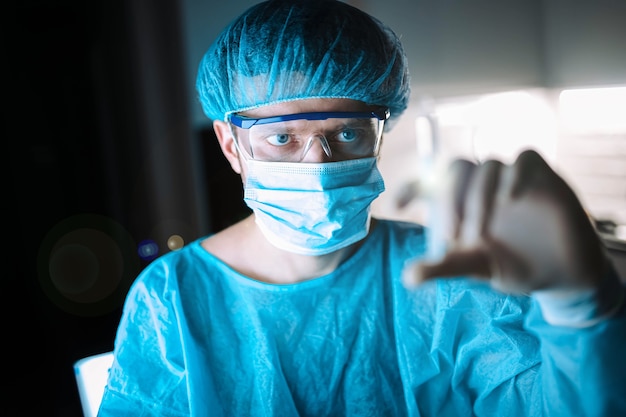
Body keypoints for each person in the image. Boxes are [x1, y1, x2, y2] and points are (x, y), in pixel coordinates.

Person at [97, 0, 626, 416]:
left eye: (347, 132)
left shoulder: (449, 279)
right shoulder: (173, 301)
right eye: (282, 138)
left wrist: (578, 308)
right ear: (231, 145)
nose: (318, 164)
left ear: (379, 134)